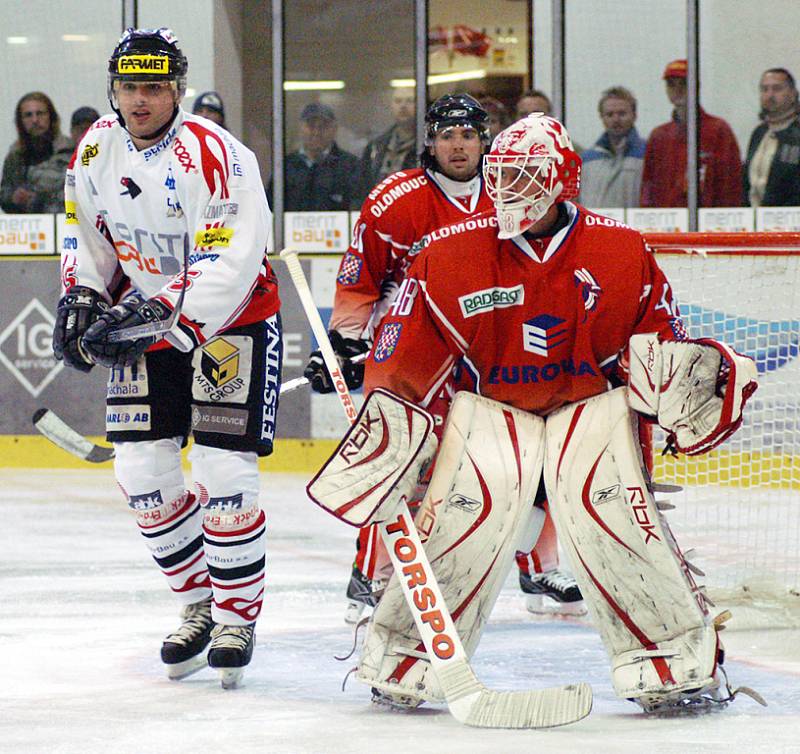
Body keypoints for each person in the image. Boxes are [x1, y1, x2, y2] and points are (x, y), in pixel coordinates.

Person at [357, 113, 758, 712]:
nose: (509, 190)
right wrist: (392, 426)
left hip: (589, 407)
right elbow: (407, 347)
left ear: (564, 177)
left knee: (618, 519)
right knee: (461, 522)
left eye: (525, 175)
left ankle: (670, 659)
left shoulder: (619, 248)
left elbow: (655, 343)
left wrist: (680, 389)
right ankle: (407, 657)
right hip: (490, 409)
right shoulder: (450, 251)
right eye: (503, 175)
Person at [51, 27, 282, 689]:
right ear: (114, 90)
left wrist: (155, 312)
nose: (142, 99)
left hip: (228, 324)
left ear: (176, 88)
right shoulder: (97, 146)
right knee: (142, 473)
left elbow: (229, 261)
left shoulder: (219, 155)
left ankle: (237, 617)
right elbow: (85, 231)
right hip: (141, 322)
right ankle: (199, 604)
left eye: (154, 86)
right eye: (130, 86)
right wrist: (83, 295)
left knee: (221, 466)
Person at [303, 93, 583, 623]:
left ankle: (539, 564)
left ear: (486, 141)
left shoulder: (509, 190)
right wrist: (344, 342)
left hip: (489, 344)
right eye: (448, 135)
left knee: (529, 447)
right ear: (429, 141)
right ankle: (374, 575)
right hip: (413, 348)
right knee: (403, 453)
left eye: (469, 135)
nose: (458, 145)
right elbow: (359, 275)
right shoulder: (395, 198)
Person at [640, 59, 742, 207]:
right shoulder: (659, 136)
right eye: (671, 85)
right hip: (666, 224)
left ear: (696, 87)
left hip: (707, 224)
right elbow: (647, 188)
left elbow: (731, 186)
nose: (677, 90)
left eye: (683, 84)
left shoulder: (719, 131)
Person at [268, 102, 359, 211]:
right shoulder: (285, 167)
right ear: (301, 128)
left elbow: (358, 208)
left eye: (323, 126)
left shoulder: (350, 166)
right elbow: (271, 207)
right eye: (311, 126)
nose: (316, 132)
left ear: (334, 129)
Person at [0, 91, 73, 213]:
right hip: (27, 228)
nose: (35, 120)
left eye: (40, 114)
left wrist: (38, 200)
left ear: (51, 117)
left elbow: (75, 197)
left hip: (62, 226)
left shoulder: (70, 152)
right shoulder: (15, 156)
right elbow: (4, 195)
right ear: (20, 121)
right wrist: (13, 197)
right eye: (28, 115)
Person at [579, 86, 646, 208]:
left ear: (634, 115)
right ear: (602, 117)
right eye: (609, 115)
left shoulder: (647, 154)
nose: (616, 120)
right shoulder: (587, 160)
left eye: (622, 114)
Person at [743, 67, 800, 207]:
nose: (770, 95)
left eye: (777, 89)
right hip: (755, 219)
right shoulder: (759, 133)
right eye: (764, 89)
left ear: (793, 94)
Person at [356, 86, 416, 203]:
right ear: (391, 106)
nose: (403, 106)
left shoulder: (428, 146)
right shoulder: (376, 146)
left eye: (410, 100)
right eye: (398, 101)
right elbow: (362, 187)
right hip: (380, 212)